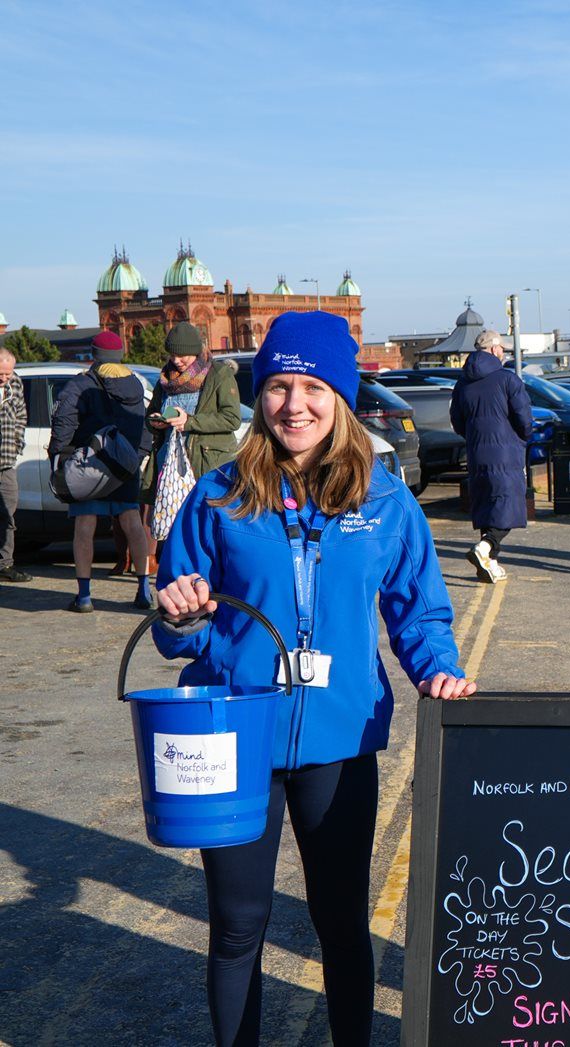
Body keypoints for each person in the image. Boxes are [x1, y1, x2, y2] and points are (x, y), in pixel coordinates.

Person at [152, 311, 475, 1046]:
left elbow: (418, 611)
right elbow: (184, 622)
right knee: (238, 923)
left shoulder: (386, 499)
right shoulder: (219, 496)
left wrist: (440, 672)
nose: (294, 404)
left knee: (340, 923)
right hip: (234, 742)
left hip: (339, 738)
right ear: (258, 395)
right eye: (278, 386)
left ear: (340, 394)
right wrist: (179, 614)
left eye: (312, 386)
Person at [48, 331, 152, 612]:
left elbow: (63, 425)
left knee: (84, 527)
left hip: (89, 465)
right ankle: (144, 590)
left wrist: (58, 458)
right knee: (133, 523)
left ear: (94, 355)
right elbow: (143, 426)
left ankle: (84, 596)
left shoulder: (80, 385)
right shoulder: (136, 384)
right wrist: (136, 457)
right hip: (124, 465)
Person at [141, 321, 241, 548]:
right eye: (173, 355)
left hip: (208, 464)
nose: (177, 361)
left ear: (195, 351)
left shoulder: (219, 374)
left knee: (207, 527)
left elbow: (231, 418)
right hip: (170, 464)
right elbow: (150, 415)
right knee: (175, 528)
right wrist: (156, 422)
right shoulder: (165, 378)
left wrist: (190, 422)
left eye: (182, 355)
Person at [450, 328, 533, 583]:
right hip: (505, 452)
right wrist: (522, 437)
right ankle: (486, 548)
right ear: (495, 349)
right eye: (503, 349)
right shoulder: (507, 379)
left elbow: (457, 421)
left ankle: (489, 564)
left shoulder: (462, 383)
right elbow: (524, 418)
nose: (504, 353)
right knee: (508, 505)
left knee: (487, 505)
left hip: (477, 452)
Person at [0, 347, 32, 583]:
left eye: (8, 374)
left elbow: (21, 415)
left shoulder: (16, 383)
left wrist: (17, 439)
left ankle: (5, 564)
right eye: (1, 374)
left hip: (7, 459)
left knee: (8, 514)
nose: (4, 378)